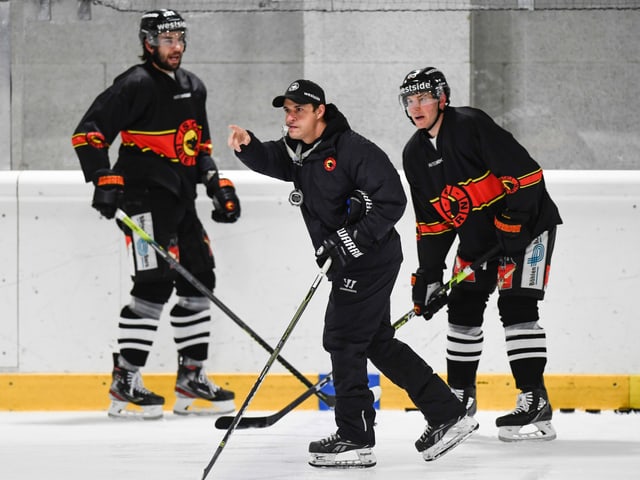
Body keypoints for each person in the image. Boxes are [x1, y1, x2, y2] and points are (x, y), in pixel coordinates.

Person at [227, 79, 478, 467]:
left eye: (299, 111)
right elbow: (274, 160)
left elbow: (392, 200)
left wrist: (346, 241)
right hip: (352, 261)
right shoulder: (300, 151)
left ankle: (355, 437)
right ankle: (446, 413)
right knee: (376, 342)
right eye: (287, 111)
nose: (290, 118)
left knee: (342, 339)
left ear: (319, 112)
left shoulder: (353, 150)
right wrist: (248, 147)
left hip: (369, 259)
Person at [71, 9, 240, 419]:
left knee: (201, 278)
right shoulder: (134, 84)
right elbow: (88, 132)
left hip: (181, 200)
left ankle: (191, 376)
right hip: (142, 199)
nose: (176, 46)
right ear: (149, 43)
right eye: (167, 40)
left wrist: (217, 185)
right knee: (153, 283)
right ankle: (125, 380)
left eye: (180, 39)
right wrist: (103, 180)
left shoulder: (193, 87)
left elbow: (198, 147)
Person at [398, 67, 562, 442]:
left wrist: (512, 224)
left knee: (517, 306)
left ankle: (533, 398)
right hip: (477, 241)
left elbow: (527, 176)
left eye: (423, 97)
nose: (416, 106)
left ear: (442, 98)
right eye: (410, 100)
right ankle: (461, 399)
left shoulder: (472, 125)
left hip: (528, 228)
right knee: (463, 308)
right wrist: (429, 276)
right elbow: (433, 223)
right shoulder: (414, 154)